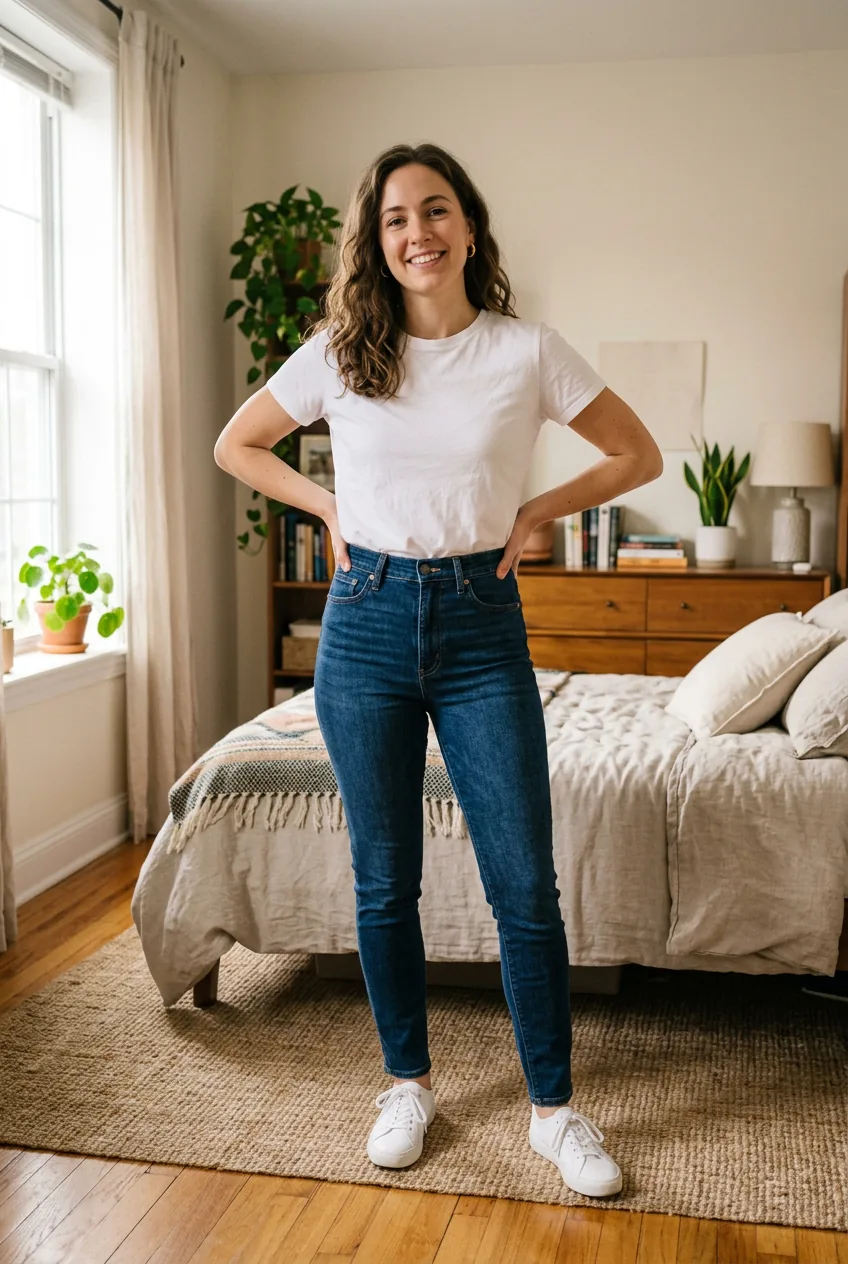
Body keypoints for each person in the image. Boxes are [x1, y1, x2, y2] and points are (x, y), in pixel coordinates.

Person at [214, 142, 663, 1199]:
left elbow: (634, 455)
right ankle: (406, 1082)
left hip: (478, 627)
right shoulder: (340, 350)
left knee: (524, 885)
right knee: (383, 880)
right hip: (363, 627)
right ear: (375, 243)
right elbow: (238, 443)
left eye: (435, 210)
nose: (416, 232)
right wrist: (324, 506)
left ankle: (552, 1112)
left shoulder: (524, 351)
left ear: (467, 227)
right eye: (393, 219)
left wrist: (540, 510)